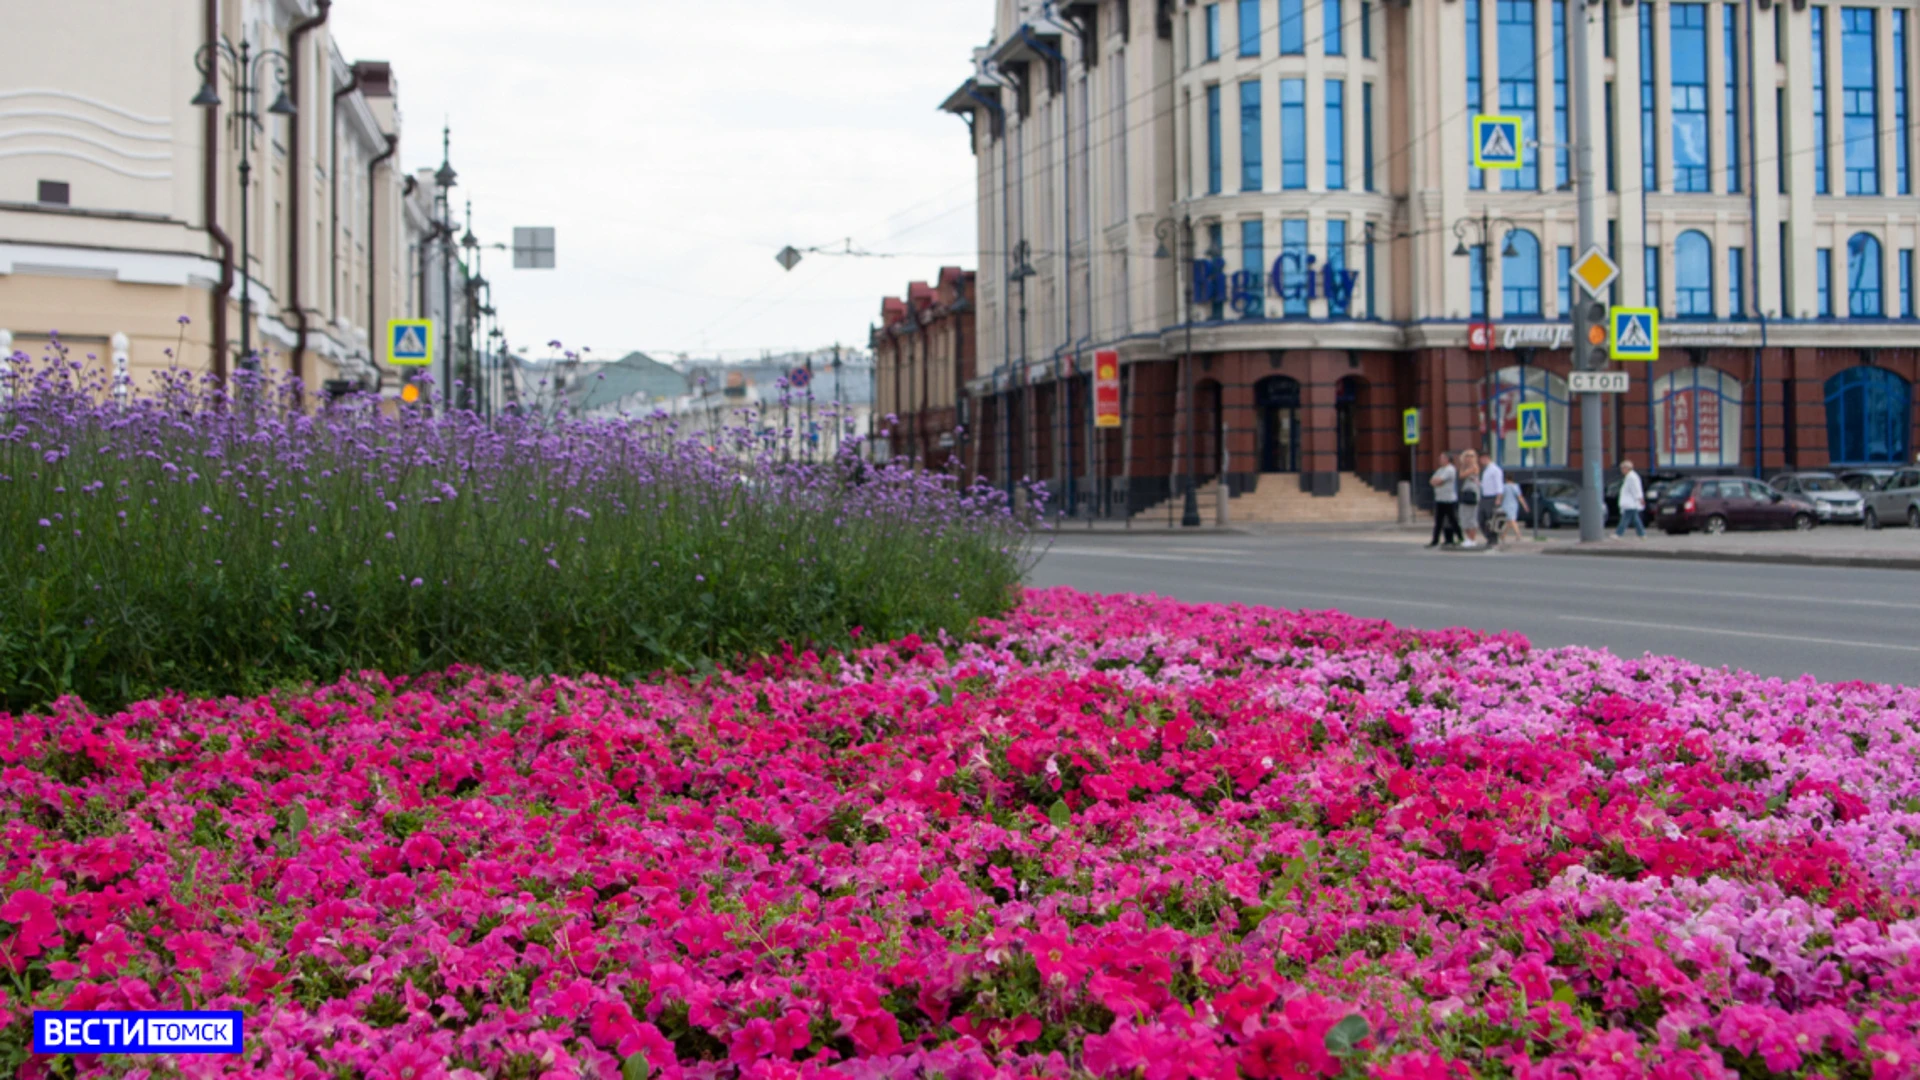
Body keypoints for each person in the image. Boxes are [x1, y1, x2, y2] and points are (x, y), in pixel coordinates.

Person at [1428, 452, 1462, 548]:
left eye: (1442, 458)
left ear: (1448, 459)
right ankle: (1435, 540)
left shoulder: (1450, 469)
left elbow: (1439, 481)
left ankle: (1460, 537)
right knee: (1438, 521)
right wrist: (1436, 481)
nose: (1440, 460)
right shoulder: (1440, 469)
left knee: (1452, 520)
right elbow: (1432, 481)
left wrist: (1437, 481)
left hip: (1449, 499)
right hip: (1439, 499)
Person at [1478, 452, 1506, 548]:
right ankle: (1489, 537)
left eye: (1481, 459)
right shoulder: (1486, 470)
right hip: (1484, 497)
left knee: (1492, 520)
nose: (1480, 462)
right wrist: (1479, 483)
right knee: (1481, 519)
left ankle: (1493, 539)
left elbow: (1499, 486)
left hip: (1492, 498)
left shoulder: (1495, 470)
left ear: (1486, 458)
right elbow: (1486, 485)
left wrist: (1498, 499)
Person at [1457, 450, 1483, 549]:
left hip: (1472, 493)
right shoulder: (1465, 467)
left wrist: (1464, 467)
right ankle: (1468, 538)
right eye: (1467, 456)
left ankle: (1472, 539)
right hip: (1466, 492)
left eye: (1472, 456)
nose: (1469, 458)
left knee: (1472, 516)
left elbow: (1462, 475)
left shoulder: (1474, 467)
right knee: (1464, 516)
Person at [1615, 459, 1647, 538]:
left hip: (1631, 502)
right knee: (1635, 519)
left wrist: (1639, 498)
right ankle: (1642, 534)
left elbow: (1635, 489)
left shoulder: (1631, 477)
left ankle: (1618, 534)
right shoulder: (1630, 476)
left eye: (1622, 468)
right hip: (1630, 502)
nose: (1622, 470)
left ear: (1627, 468)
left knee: (1625, 519)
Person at [1498, 479, 1528, 545]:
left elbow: (1501, 496)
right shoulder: (1515, 487)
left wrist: (1499, 502)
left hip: (1506, 505)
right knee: (1511, 521)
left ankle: (1507, 535)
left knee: (1510, 521)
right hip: (1513, 506)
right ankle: (1514, 535)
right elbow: (1519, 497)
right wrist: (1524, 505)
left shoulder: (1504, 486)